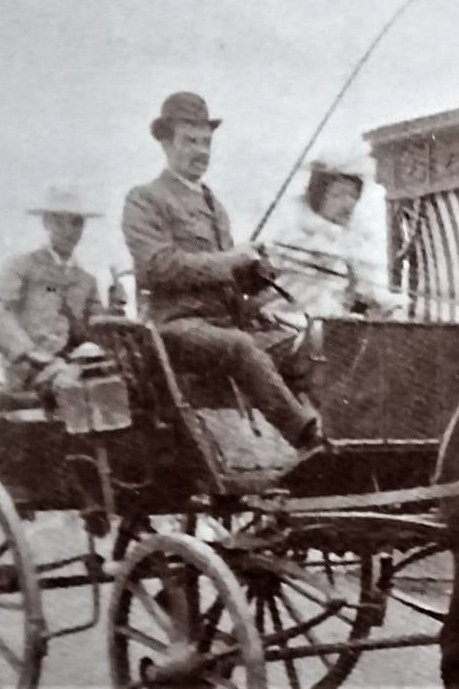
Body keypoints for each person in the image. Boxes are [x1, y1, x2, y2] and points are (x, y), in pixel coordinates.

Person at [121, 92, 324, 453]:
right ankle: (305, 438)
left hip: (227, 325)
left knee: (312, 343)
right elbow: (158, 267)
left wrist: (255, 270)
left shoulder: (215, 206)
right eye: (190, 141)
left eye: (206, 142)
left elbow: (227, 277)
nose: (201, 151)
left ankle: (323, 432)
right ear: (166, 143)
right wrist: (231, 259)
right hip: (176, 329)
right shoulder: (145, 200)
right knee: (240, 347)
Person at [0, 184, 104, 398]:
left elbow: (97, 330)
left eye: (76, 222)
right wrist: (27, 350)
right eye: (59, 221)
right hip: (30, 374)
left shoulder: (86, 281)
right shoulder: (23, 267)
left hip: (73, 370)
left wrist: (113, 315)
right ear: (46, 223)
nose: (68, 230)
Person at [261, 147, 407, 324]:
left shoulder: (351, 241)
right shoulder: (296, 238)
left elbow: (367, 290)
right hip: (293, 320)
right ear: (319, 199)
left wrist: (389, 303)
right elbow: (292, 294)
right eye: (338, 196)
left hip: (333, 321)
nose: (347, 204)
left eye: (353, 196)